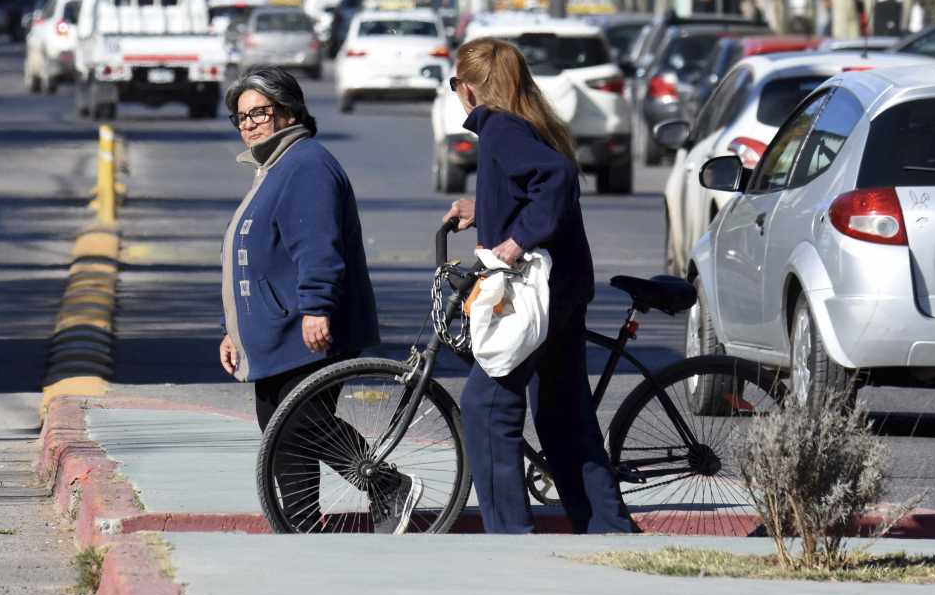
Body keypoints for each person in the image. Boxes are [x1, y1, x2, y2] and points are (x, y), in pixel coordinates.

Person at [442, 37, 634, 535]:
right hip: (563, 286)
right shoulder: (528, 123)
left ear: (468, 88)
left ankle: (510, 539)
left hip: (536, 293)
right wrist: (480, 209)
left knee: (486, 407)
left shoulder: (501, 127)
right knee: (562, 415)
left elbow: (554, 178)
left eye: (454, 84)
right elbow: (530, 187)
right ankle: (608, 532)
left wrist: (516, 241)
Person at [219, 67, 406, 527]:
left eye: (260, 112)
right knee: (284, 432)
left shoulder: (306, 165)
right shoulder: (277, 166)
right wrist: (233, 333)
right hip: (276, 331)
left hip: (305, 328)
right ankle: (301, 522)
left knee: (298, 424)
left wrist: (317, 306)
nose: (249, 124)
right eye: (241, 117)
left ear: (289, 113)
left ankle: (386, 484)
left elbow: (317, 245)